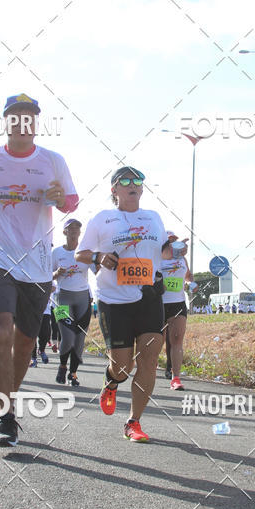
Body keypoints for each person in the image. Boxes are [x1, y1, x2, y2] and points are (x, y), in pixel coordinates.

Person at [0, 92, 78, 447]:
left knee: (24, 343)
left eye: (29, 115)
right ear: (6, 122)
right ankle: (4, 416)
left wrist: (60, 200)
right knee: (1, 330)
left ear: (36, 123)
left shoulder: (53, 161)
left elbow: (72, 201)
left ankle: (8, 400)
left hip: (37, 264)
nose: (23, 121)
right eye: (16, 115)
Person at [76, 165, 186, 442]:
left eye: (138, 180)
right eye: (125, 180)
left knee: (149, 359)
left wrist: (174, 246)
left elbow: (162, 250)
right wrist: (98, 257)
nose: (133, 184)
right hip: (114, 300)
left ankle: (133, 421)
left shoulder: (154, 218)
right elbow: (81, 253)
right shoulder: (103, 218)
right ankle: (112, 381)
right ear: (114, 189)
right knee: (123, 367)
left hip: (148, 296)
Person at [52, 218, 93, 387]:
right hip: (61, 298)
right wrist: (56, 273)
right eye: (71, 228)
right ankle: (62, 366)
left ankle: (73, 374)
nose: (75, 230)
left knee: (79, 340)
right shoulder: (56, 253)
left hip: (83, 299)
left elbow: (98, 270)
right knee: (67, 338)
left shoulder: (85, 252)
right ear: (64, 232)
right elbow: (47, 276)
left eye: (77, 228)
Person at [161, 231, 192, 391]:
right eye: (170, 241)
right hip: (158, 304)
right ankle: (146, 371)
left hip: (178, 303)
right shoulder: (157, 257)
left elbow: (187, 276)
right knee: (155, 342)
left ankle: (176, 378)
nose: (173, 242)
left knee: (177, 340)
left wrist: (190, 282)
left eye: (175, 240)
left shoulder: (182, 259)